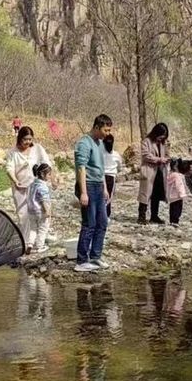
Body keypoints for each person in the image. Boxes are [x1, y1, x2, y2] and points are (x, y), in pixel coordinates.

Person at [74, 114, 113, 272]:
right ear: (97, 127)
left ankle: (95, 256)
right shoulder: (84, 143)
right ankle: (82, 260)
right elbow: (81, 168)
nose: (108, 133)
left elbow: (100, 168)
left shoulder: (100, 143)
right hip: (88, 186)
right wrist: (83, 193)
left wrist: (104, 188)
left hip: (98, 186)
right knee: (89, 223)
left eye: (109, 130)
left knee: (102, 222)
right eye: (106, 129)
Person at [5, 126, 51, 244]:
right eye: (25, 139)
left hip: (35, 187)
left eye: (30, 139)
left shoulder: (37, 149)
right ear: (20, 138)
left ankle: (39, 239)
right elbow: (9, 168)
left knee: (39, 212)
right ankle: (25, 242)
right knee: (23, 214)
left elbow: (46, 162)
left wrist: (52, 177)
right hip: (19, 187)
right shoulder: (12, 152)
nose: (28, 142)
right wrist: (15, 181)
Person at [138, 122, 170, 224]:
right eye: (160, 136)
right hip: (149, 170)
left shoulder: (163, 143)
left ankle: (154, 215)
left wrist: (167, 159)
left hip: (160, 171)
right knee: (145, 194)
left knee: (157, 194)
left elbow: (167, 154)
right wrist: (159, 159)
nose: (161, 138)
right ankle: (141, 216)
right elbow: (146, 155)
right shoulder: (146, 142)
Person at [27, 163, 54, 253]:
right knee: (43, 228)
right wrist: (47, 211)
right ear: (43, 174)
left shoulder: (33, 184)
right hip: (40, 211)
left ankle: (30, 244)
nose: (50, 177)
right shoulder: (42, 186)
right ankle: (40, 246)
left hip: (31, 211)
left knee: (33, 228)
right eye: (49, 174)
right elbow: (43, 200)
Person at [102, 134, 123, 218]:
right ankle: (106, 215)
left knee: (101, 196)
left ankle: (100, 215)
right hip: (111, 177)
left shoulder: (100, 154)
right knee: (109, 197)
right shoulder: (116, 155)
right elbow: (120, 167)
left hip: (101, 176)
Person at [166, 158, 189, 227]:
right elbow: (179, 186)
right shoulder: (177, 175)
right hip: (177, 196)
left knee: (172, 209)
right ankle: (175, 221)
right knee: (178, 209)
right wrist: (182, 194)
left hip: (171, 196)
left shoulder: (170, 174)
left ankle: (171, 221)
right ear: (176, 166)